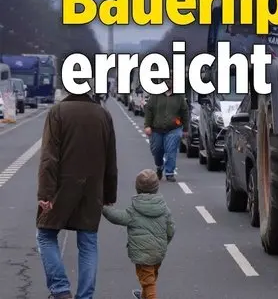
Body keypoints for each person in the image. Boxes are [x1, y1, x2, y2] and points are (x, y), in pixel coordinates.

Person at [36, 88, 118, 299]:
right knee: (88, 242)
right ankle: (85, 296)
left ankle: (61, 289)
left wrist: (45, 193)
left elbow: (49, 158)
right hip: (92, 189)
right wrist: (109, 193)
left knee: (45, 235)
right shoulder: (103, 114)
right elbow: (111, 159)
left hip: (61, 188)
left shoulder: (58, 112)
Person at [102, 169, 175, 299]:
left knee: (148, 281)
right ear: (156, 188)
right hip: (159, 251)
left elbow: (117, 217)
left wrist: (104, 208)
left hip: (142, 253)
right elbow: (170, 230)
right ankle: (144, 295)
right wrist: (164, 242)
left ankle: (149, 295)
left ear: (137, 188)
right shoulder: (164, 209)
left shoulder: (134, 210)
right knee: (151, 276)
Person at [144, 74, 189, 182]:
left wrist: (185, 129)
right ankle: (159, 167)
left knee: (171, 150)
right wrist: (147, 126)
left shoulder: (179, 96)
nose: (169, 82)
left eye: (171, 80)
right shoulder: (155, 95)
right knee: (157, 150)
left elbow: (184, 112)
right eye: (167, 80)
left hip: (173, 128)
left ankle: (169, 172)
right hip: (156, 129)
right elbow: (149, 110)